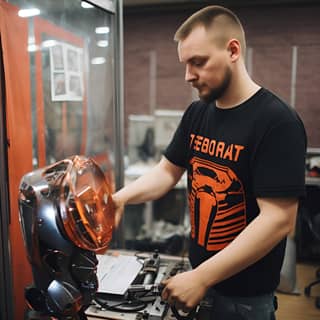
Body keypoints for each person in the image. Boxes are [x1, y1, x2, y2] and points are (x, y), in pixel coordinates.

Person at [112, 5, 306, 320]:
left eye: (198, 62)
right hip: (199, 281)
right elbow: (166, 172)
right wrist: (119, 199)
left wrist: (202, 276)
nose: (189, 75)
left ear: (233, 50)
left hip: (244, 300)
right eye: (185, 64)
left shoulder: (276, 121)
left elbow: (278, 220)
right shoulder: (197, 113)